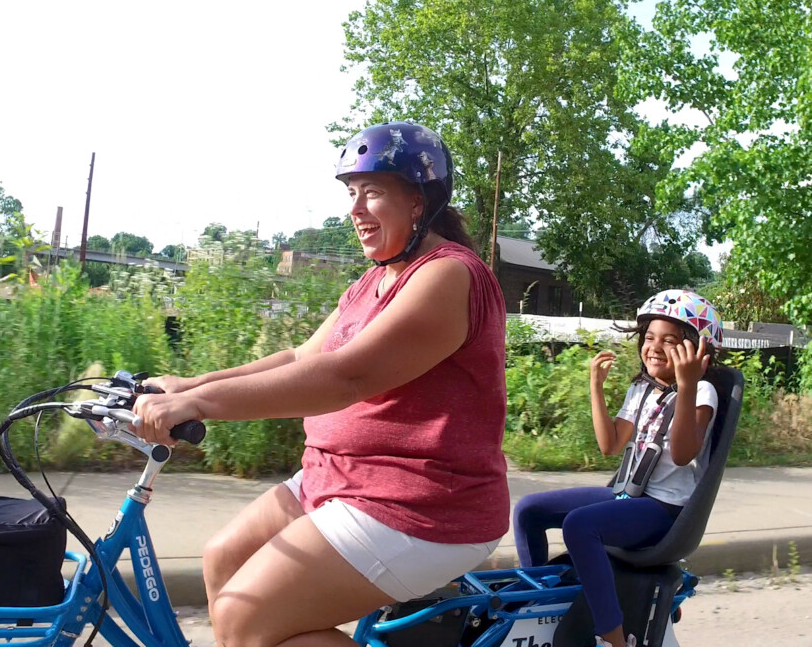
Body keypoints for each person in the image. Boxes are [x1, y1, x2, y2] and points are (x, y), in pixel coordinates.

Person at [133, 121, 510, 647]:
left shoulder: (447, 275)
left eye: (372, 193)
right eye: (351, 194)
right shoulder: (373, 281)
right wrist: (191, 384)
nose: (355, 209)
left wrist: (201, 402)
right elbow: (300, 357)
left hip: (421, 503)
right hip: (338, 479)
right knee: (223, 562)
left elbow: (344, 377)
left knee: (246, 618)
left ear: (420, 201)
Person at [511, 290, 723, 647]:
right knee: (528, 510)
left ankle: (612, 636)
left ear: (695, 351)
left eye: (670, 341)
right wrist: (596, 388)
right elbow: (610, 444)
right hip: (628, 495)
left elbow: (685, 453)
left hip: (664, 510)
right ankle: (543, 602)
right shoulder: (641, 389)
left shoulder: (701, 393)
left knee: (580, 526)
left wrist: (685, 386)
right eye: (650, 338)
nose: (655, 347)